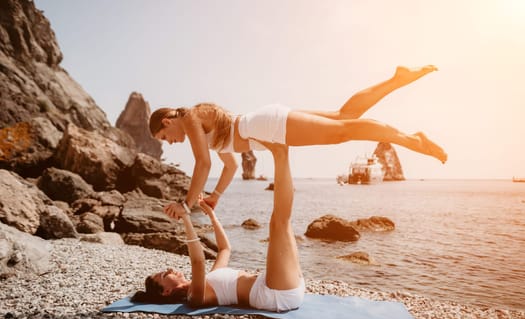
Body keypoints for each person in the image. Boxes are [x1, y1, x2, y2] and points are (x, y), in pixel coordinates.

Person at [149, 65, 447, 217]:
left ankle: (410, 139)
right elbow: (229, 166)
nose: (171, 143)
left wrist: (186, 204)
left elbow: (203, 163)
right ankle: (398, 78)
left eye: (165, 137)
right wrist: (215, 195)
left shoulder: (187, 115)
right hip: (263, 125)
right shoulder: (201, 127)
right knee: (344, 115)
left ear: (166, 121)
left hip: (265, 126)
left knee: (342, 132)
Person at [131, 143, 304, 312]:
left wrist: (212, 216)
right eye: (163, 275)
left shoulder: (209, 279)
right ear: (166, 292)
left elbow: (225, 249)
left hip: (279, 285)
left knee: (280, 221)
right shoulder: (195, 296)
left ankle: (281, 151)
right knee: (279, 222)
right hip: (274, 294)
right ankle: (280, 151)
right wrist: (185, 217)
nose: (169, 269)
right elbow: (198, 262)